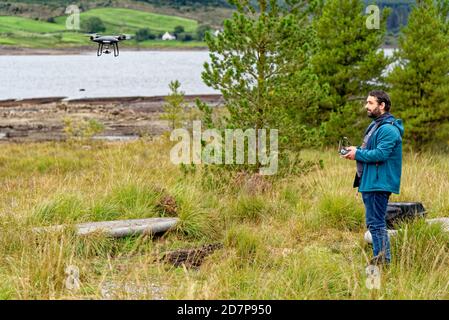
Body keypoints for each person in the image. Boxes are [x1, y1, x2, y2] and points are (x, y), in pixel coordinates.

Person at [342, 90, 404, 266]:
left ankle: (383, 261)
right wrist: (356, 150)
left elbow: (381, 154)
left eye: (370, 103)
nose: (366, 106)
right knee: (374, 223)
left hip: (379, 182)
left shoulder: (389, 129)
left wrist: (357, 154)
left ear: (382, 105)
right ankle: (380, 259)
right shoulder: (375, 125)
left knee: (376, 224)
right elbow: (370, 149)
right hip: (369, 181)